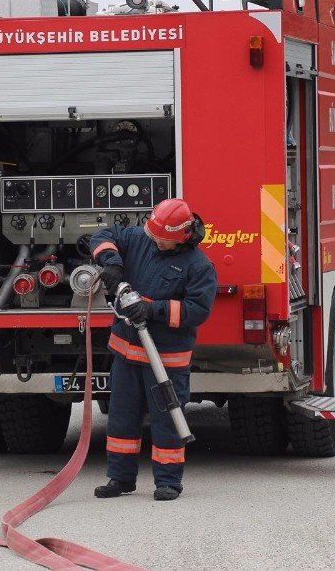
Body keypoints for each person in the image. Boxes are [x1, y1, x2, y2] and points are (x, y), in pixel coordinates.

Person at [89, 198, 217, 502]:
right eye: (154, 236)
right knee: (121, 419)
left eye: (162, 239)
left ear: (182, 236)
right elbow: (101, 236)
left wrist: (152, 309)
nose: (155, 242)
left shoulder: (198, 266)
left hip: (166, 359)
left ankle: (168, 482)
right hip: (126, 354)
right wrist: (112, 262)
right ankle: (120, 479)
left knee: (167, 420)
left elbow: (196, 310)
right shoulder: (140, 238)